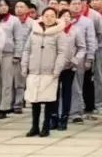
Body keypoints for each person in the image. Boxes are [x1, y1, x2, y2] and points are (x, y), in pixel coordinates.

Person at [21, 7, 68, 137]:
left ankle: (46, 126)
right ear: (42, 17)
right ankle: (34, 126)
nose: (49, 18)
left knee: (48, 100)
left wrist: (57, 69)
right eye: (46, 15)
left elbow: (62, 53)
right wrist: (24, 66)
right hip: (34, 71)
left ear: (56, 18)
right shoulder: (34, 32)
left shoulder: (59, 33)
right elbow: (26, 50)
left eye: (52, 16)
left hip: (50, 72)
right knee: (34, 100)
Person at [0, 0, 24, 119]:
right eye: (0, 5)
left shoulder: (14, 20)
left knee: (7, 82)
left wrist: (17, 55)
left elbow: (19, 39)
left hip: (8, 54)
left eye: (5, 5)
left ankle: (4, 107)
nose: (3, 7)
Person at [66, 0, 96, 124]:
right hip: (62, 58)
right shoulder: (62, 19)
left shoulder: (87, 22)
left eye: (79, 4)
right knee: (62, 87)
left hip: (79, 57)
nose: (77, 6)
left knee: (77, 86)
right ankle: (62, 111)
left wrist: (89, 58)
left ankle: (76, 113)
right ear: (68, 6)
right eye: (74, 4)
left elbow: (91, 40)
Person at [56, 8, 86, 130]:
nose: (66, 18)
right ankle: (54, 116)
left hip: (69, 66)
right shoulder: (55, 30)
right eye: (63, 15)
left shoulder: (75, 30)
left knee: (67, 92)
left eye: (68, 16)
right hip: (55, 66)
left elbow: (82, 48)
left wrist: (75, 60)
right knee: (54, 93)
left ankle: (64, 117)